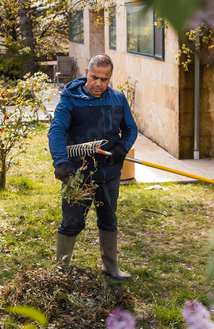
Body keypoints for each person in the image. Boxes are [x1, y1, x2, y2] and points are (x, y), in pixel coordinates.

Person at [47, 54, 138, 280]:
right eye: (94, 77)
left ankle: (110, 267)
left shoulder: (117, 99)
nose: (98, 83)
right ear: (87, 73)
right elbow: (56, 131)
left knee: (109, 219)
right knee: (71, 221)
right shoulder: (70, 99)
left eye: (104, 79)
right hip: (78, 174)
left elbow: (131, 129)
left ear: (110, 78)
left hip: (109, 172)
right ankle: (62, 270)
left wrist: (122, 148)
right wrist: (60, 162)